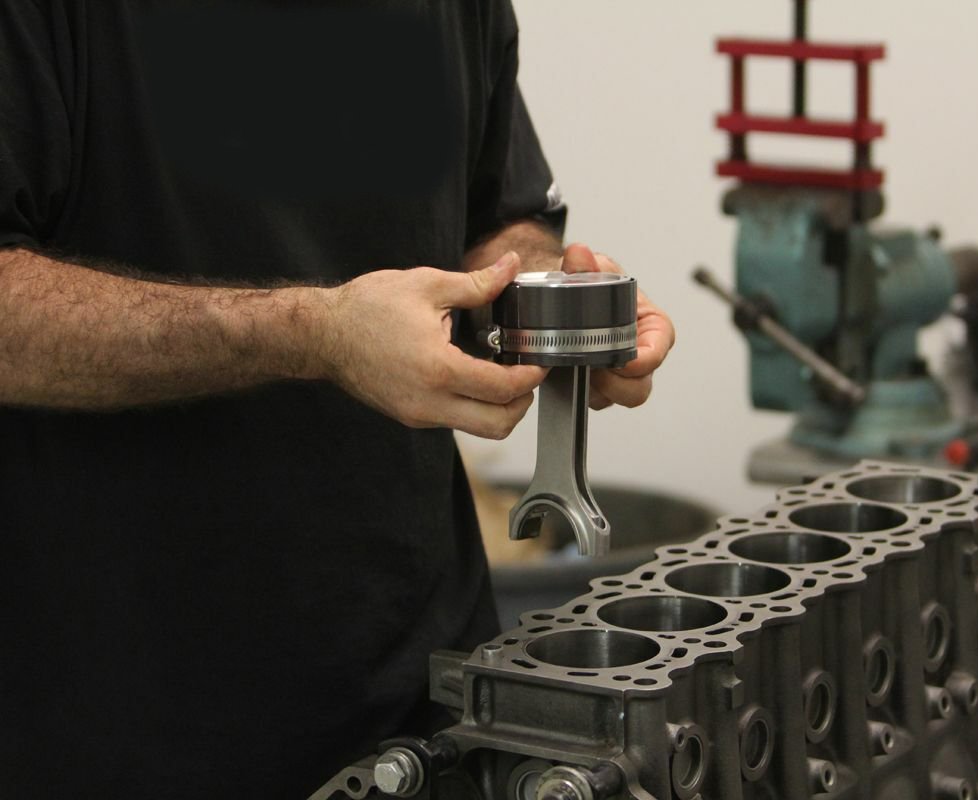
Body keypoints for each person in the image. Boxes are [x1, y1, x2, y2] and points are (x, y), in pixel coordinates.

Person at [0, 1, 674, 797]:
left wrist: (550, 307)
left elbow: (496, 216)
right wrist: (312, 334)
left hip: (421, 691)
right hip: (121, 708)